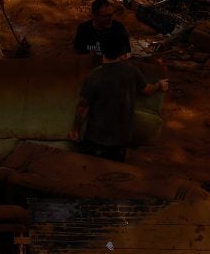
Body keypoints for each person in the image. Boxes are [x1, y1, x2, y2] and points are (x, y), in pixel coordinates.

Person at [70, 32, 168, 161]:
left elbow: (83, 107)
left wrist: (75, 129)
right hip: (120, 139)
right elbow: (147, 90)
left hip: (95, 138)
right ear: (122, 52)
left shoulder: (93, 76)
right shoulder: (131, 70)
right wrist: (159, 84)